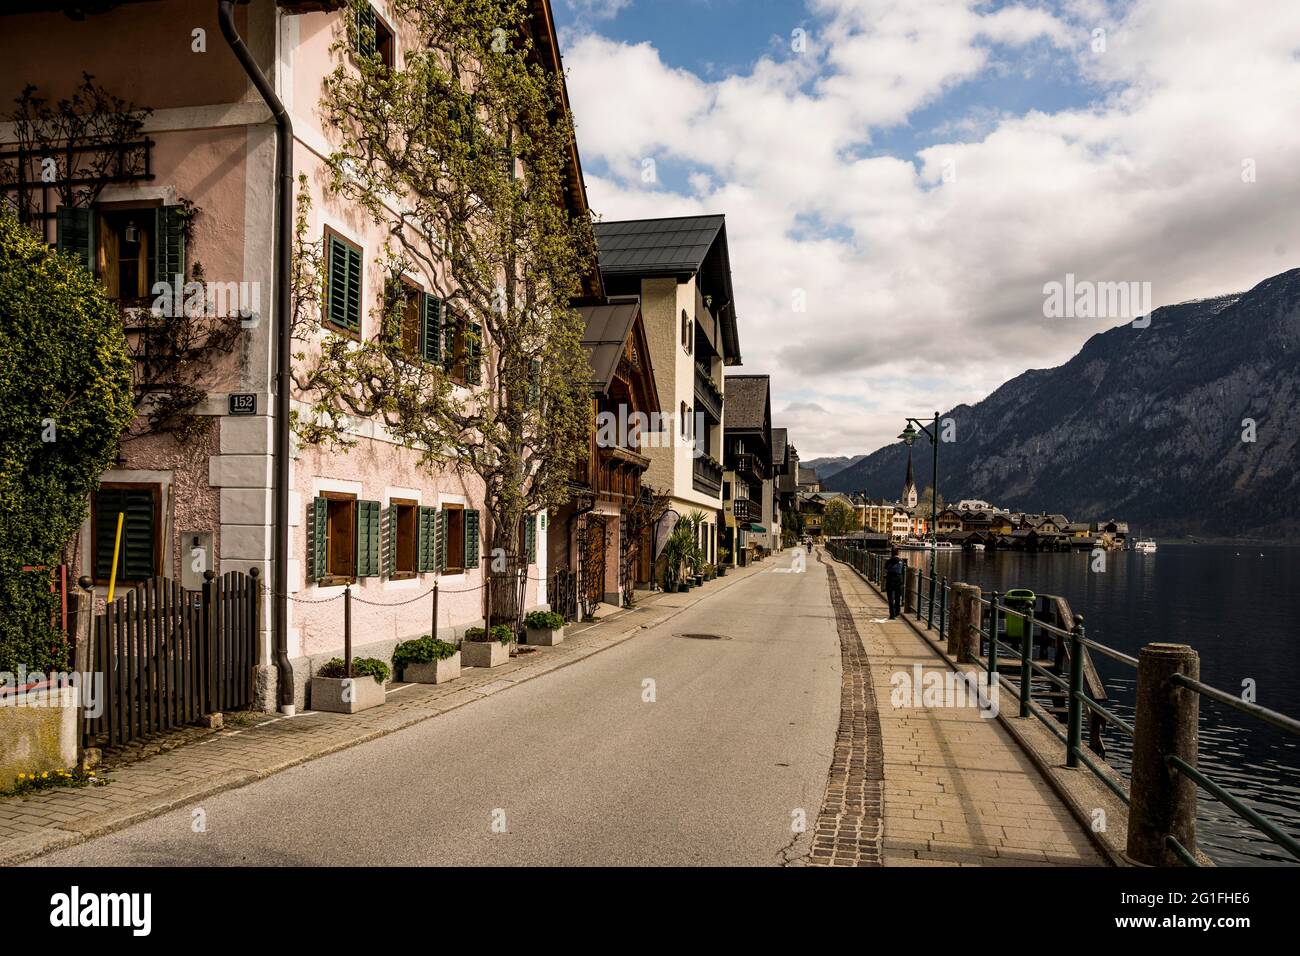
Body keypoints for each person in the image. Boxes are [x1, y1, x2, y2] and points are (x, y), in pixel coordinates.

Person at [884, 547, 905, 619]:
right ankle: (897, 612)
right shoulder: (901, 561)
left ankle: (892, 614)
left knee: (890, 598)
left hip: (890, 580)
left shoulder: (889, 561)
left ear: (891, 553)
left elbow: (886, 570)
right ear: (898, 553)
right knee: (897, 597)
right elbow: (903, 571)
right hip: (899, 581)